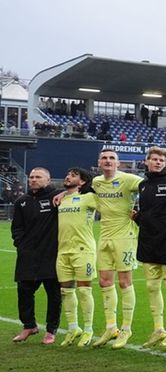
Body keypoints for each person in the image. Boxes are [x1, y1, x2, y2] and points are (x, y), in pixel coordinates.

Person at [89, 148, 142, 349]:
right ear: (99, 162)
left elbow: (149, 187)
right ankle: (111, 327)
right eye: (104, 158)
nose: (108, 161)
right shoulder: (96, 182)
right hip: (104, 236)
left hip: (124, 237)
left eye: (112, 158)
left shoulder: (129, 179)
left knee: (125, 282)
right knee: (104, 281)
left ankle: (126, 328)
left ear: (118, 163)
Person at [135, 148, 166, 349]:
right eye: (154, 159)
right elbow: (148, 212)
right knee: (152, 287)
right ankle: (158, 328)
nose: (158, 162)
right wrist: (138, 218)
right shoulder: (143, 185)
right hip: (148, 241)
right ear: (147, 161)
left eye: (162, 159)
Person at [12, 168, 61, 344]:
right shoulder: (21, 201)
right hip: (28, 255)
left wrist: (64, 195)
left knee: (53, 294)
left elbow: (82, 189)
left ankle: (51, 330)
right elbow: (17, 227)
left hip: (51, 255)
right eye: (31, 177)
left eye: (38, 177)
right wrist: (20, 243)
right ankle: (29, 326)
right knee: (24, 291)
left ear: (48, 180)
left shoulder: (57, 197)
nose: (33, 180)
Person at [56, 168, 100, 347]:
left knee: (84, 290)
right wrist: (62, 193)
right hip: (63, 251)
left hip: (83, 250)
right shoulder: (61, 199)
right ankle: (73, 327)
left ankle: (88, 329)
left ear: (82, 182)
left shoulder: (89, 198)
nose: (68, 176)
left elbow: (107, 199)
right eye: (67, 174)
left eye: (73, 175)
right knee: (65, 290)